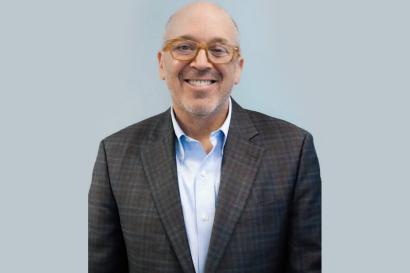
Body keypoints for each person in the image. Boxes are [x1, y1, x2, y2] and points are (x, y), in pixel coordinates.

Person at [88, 2, 321, 273]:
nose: (201, 63)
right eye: (184, 47)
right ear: (162, 64)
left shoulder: (294, 151)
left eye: (218, 50)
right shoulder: (114, 156)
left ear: (238, 68)